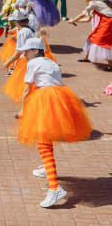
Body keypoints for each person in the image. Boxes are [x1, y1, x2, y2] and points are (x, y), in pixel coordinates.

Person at [14, 37, 92, 208]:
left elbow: (27, 89)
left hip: (45, 100)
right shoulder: (52, 62)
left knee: (42, 142)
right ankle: (46, 167)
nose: (24, 54)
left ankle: (55, 188)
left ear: (35, 51)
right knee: (45, 137)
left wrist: (22, 110)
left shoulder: (33, 63)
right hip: (60, 98)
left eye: (26, 51)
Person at [68, 0, 112, 71]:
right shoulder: (94, 4)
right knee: (91, 38)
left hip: (108, 22)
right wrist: (73, 21)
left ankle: (111, 64)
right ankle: (86, 58)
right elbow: (87, 19)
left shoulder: (93, 3)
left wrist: (73, 20)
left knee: (101, 41)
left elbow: (82, 15)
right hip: (105, 22)